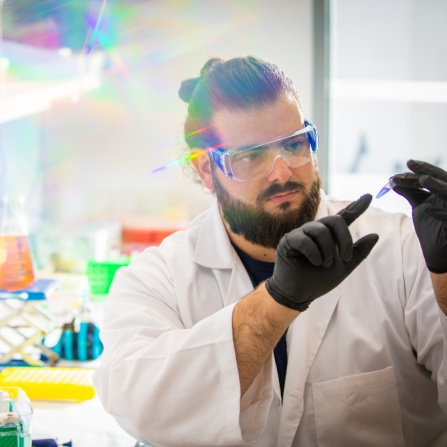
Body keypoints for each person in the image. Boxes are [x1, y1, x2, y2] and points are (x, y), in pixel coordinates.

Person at [93, 56, 447, 447]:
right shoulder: (158, 279)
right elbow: (141, 408)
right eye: (251, 156)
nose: (282, 172)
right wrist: (278, 301)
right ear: (206, 170)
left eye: (294, 144)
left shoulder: (403, 248)